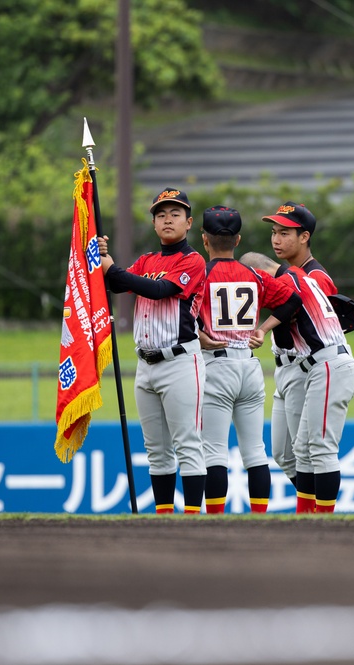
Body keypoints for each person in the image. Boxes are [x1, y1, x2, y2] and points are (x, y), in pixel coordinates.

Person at [98, 187, 207, 515]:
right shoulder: (147, 260)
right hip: (146, 364)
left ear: (188, 223)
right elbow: (117, 284)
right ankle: (162, 520)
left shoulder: (193, 259)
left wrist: (114, 270)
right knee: (157, 451)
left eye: (175, 214)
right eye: (161, 214)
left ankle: (191, 521)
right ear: (154, 224)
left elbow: (161, 290)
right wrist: (102, 259)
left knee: (187, 444)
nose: (167, 219)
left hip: (180, 362)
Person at [195, 206, 301, 514]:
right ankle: (259, 521)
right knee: (255, 451)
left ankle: (215, 520)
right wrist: (264, 328)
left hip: (216, 363)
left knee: (214, 452)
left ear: (204, 240)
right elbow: (293, 300)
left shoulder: (201, 275)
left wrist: (201, 334)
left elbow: (181, 313)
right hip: (249, 365)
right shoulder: (253, 274)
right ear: (238, 240)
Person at [242, 251, 354, 513]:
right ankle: (307, 517)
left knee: (319, 448)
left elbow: (290, 306)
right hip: (315, 364)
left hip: (328, 364)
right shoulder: (296, 276)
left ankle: (323, 520)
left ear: (259, 274)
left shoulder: (289, 279)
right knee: (299, 452)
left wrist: (263, 328)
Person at [263, 201, 337, 507]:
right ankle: (315, 505)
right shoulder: (288, 272)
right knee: (283, 453)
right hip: (285, 367)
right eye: (274, 232)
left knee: (308, 450)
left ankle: (315, 514)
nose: (277, 240)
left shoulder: (315, 277)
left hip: (308, 368)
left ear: (305, 237)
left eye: (285, 233)